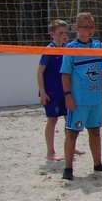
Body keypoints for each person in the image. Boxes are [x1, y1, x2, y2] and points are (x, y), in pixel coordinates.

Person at [60, 12, 102, 180]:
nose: (90, 30)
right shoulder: (71, 49)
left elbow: (99, 70)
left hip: (95, 98)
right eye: (86, 27)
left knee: (95, 131)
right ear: (77, 28)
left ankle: (98, 164)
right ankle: (68, 169)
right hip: (79, 100)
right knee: (72, 133)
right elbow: (65, 74)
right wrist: (68, 95)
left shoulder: (97, 45)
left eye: (92, 27)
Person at [37, 19, 70, 161]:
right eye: (61, 33)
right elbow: (39, 72)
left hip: (65, 91)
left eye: (66, 33)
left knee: (69, 119)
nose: (64, 35)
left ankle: (71, 146)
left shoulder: (67, 49)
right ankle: (50, 152)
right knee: (52, 120)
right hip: (52, 92)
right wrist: (42, 92)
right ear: (52, 34)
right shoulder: (49, 50)